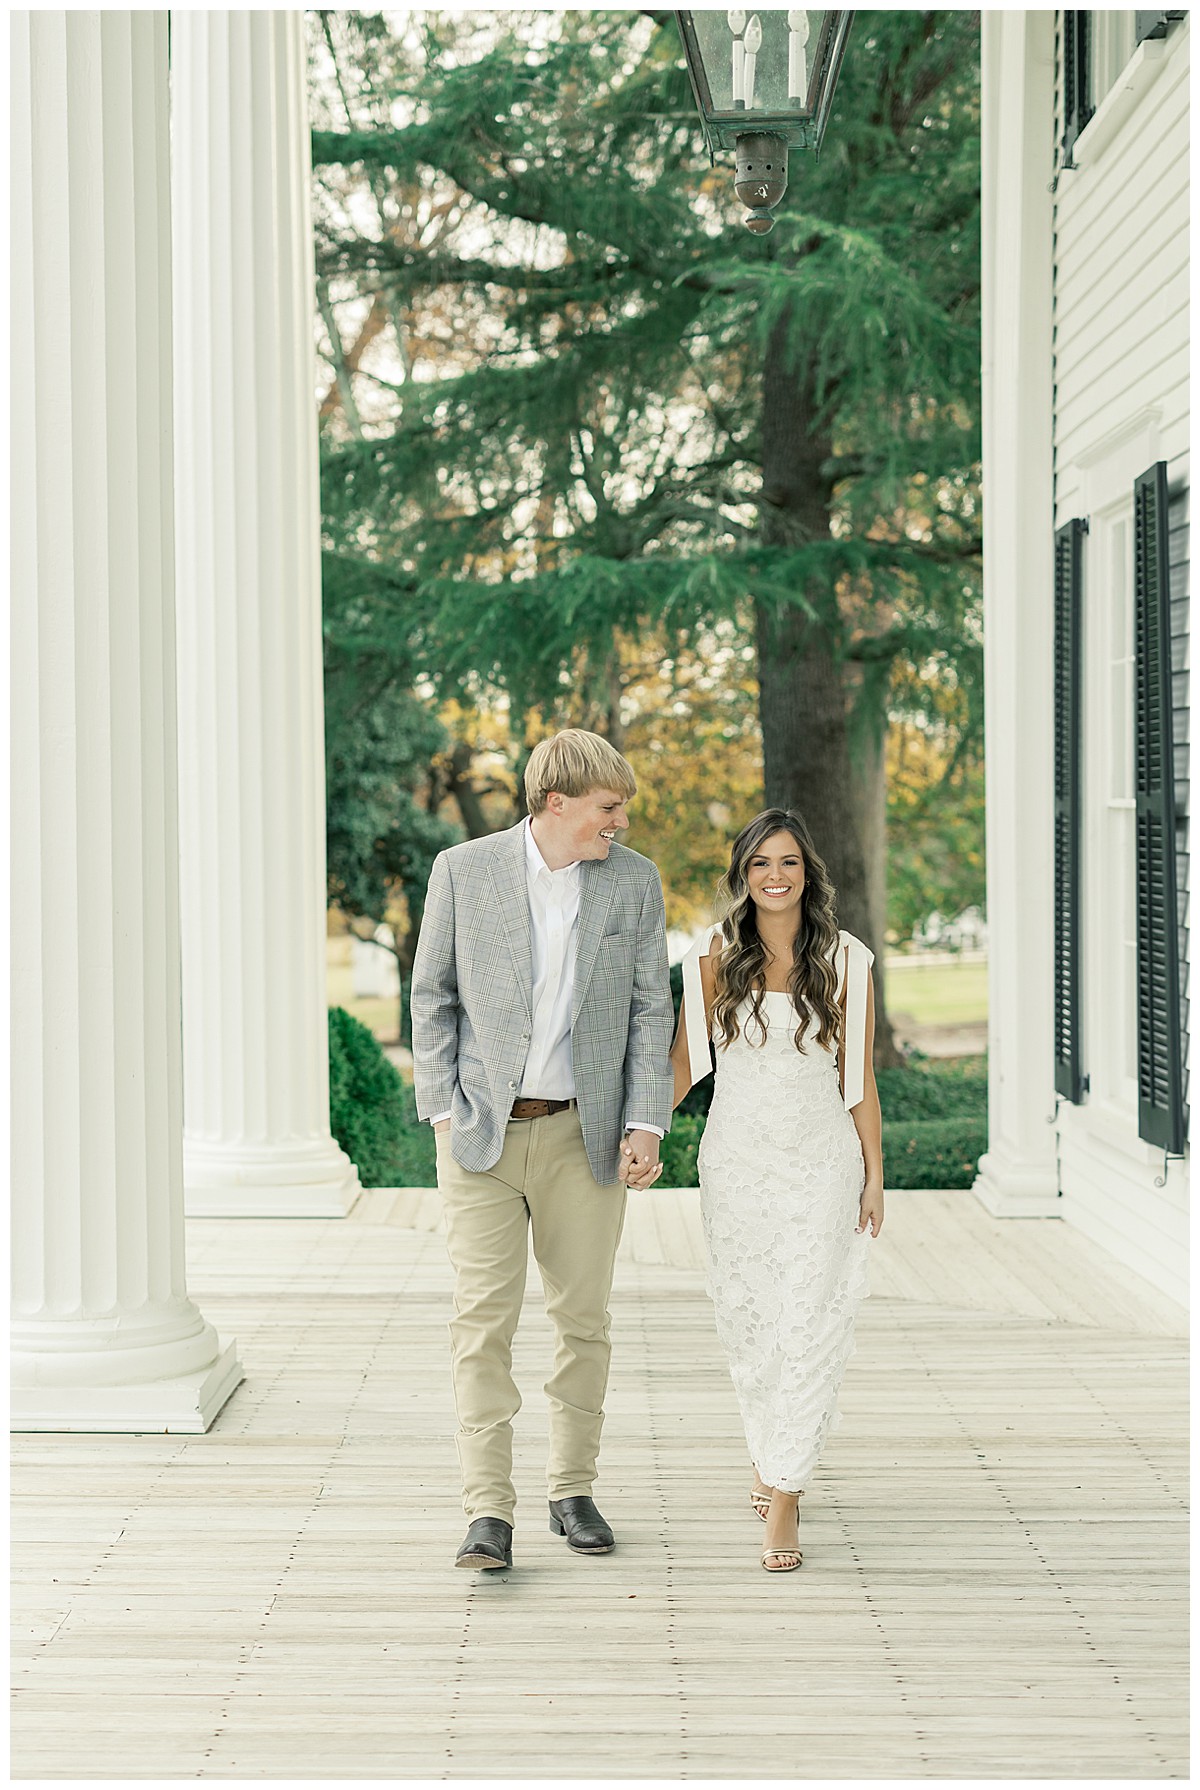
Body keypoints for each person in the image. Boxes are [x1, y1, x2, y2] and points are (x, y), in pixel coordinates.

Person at [411, 729, 674, 1573]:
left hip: (584, 1136)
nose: (619, 822)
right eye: (607, 807)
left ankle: (573, 1489)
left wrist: (646, 1121)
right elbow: (432, 995)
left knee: (583, 1320)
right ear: (556, 803)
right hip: (480, 1138)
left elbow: (650, 1010)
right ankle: (487, 1510)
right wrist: (442, 1113)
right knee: (481, 1324)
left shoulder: (633, 881)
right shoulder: (463, 871)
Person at [654, 808, 883, 1574]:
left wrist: (875, 1175)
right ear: (743, 875)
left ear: (807, 872)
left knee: (809, 1321)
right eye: (760, 864)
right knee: (752, 1324)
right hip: (738, 1166)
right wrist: (643, 1133)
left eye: (788, 862)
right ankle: (768, 1450)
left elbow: (858, 1080)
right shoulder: (713, 956)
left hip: (822, 1166)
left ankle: (786, 1493)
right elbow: (686, 1063)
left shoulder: (847, 959)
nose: (775, 876)